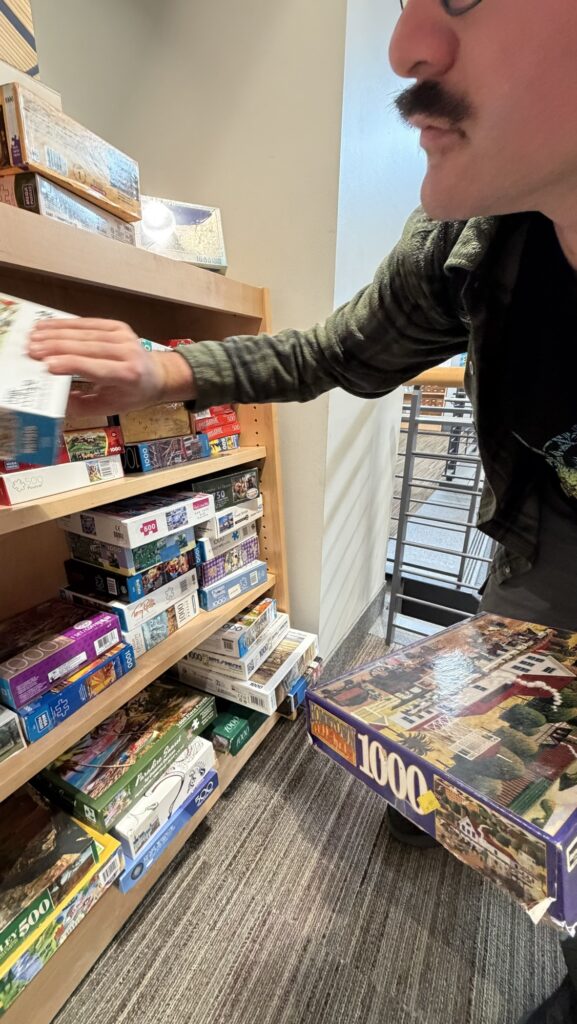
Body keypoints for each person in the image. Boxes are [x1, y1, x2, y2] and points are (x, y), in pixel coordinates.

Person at [27, 1, 577, 1019]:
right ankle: (453, 802)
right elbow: (334, 351)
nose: (406, 47)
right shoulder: (467, 230)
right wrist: (164, 367)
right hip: (547, 542)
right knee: (490, 755)